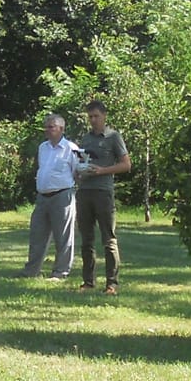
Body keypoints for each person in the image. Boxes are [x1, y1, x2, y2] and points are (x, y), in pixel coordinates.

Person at [73, 98, 132, 294]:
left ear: (104, 116)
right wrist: (78, 171)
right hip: (84, 192)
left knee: (108, 239)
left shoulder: (113, 137)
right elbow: (81, 160)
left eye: (96, 116)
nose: (93, 120)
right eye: (90, 116)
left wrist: (102, 171)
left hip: (103, 192)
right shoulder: (86, 138)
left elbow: (126, 165)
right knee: (86, 239)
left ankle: (112, 283)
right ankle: (88, 282)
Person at [23, 113, 79, 280]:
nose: (47, 130)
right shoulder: (43, 147)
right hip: (42, 196)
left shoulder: (72, 148)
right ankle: (32, 270)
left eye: (51, 127)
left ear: (61, 129)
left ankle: (61, 272)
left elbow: (79, 173)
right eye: (46, 127)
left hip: (62, 195)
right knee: (37, 235)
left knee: (63, 236)